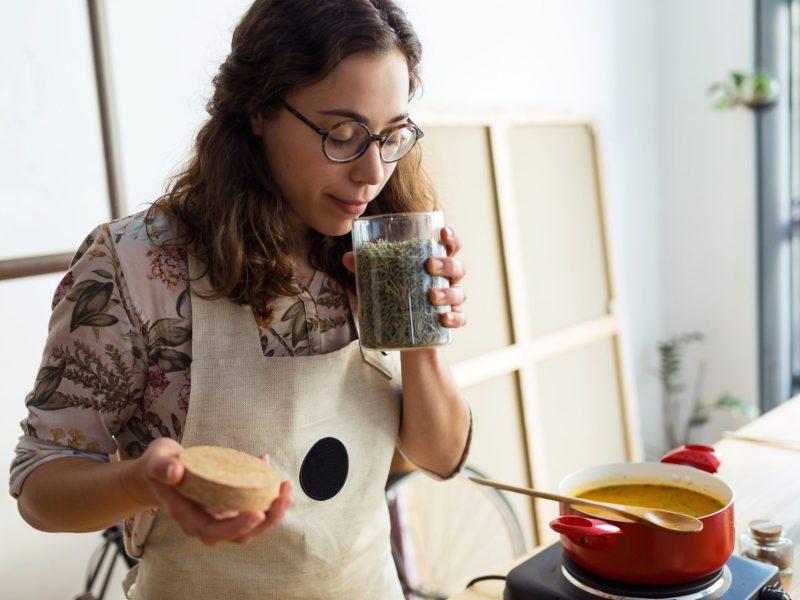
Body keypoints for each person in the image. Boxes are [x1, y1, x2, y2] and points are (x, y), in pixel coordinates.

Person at [10, 0, 471, 598]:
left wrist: (424, 340)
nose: (371, 172)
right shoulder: (135, 268)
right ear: (258, 108)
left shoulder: (379, 242)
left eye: (390, 136)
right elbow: (40, 488)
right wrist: (146, 481)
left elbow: (440, 458)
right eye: (342, 134)